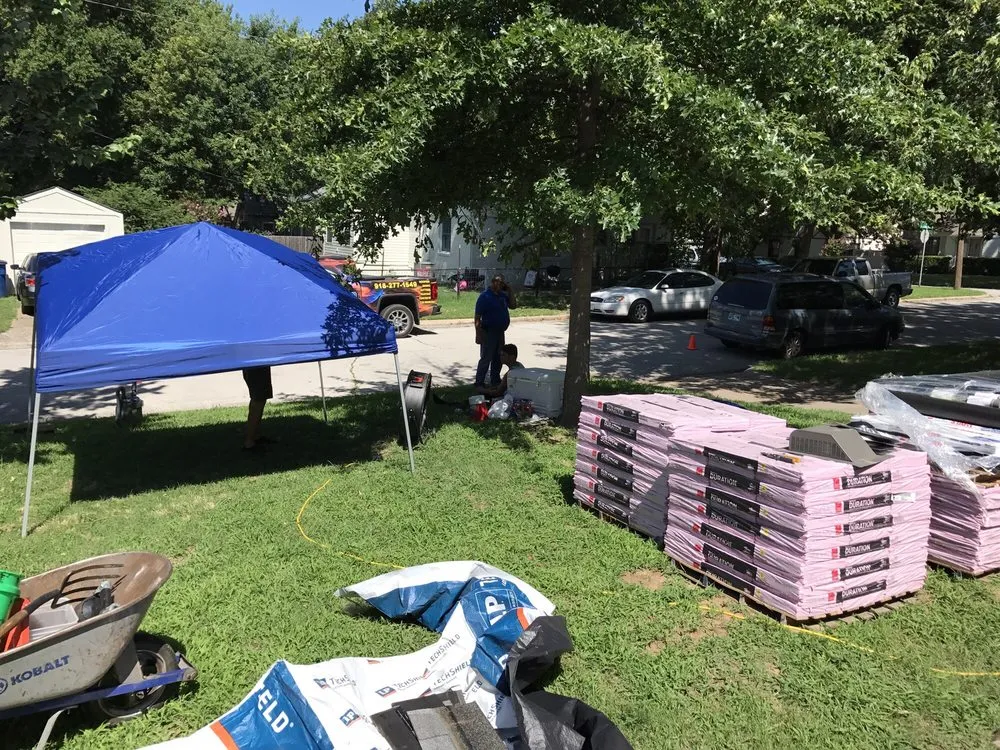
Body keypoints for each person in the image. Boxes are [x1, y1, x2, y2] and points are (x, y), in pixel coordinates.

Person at [474, 274, 516, 388]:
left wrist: (510, 290)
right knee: (486, 357)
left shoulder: (502, 296)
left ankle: (495, 380)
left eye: (501, 282)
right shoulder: (485, 297)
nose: (498, 284)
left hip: (500, 332)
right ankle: (479, 382)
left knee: (498, 357)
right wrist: (478, 334)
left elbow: (513, 305)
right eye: (496, 281)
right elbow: (477, 317)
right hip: (488, 331)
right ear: (492, 282)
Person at [242, 366, 274, 450]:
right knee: (258, 400)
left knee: (259, 399)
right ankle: (249, 442)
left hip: (257, 364)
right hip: (255, 365)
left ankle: (256, 436)